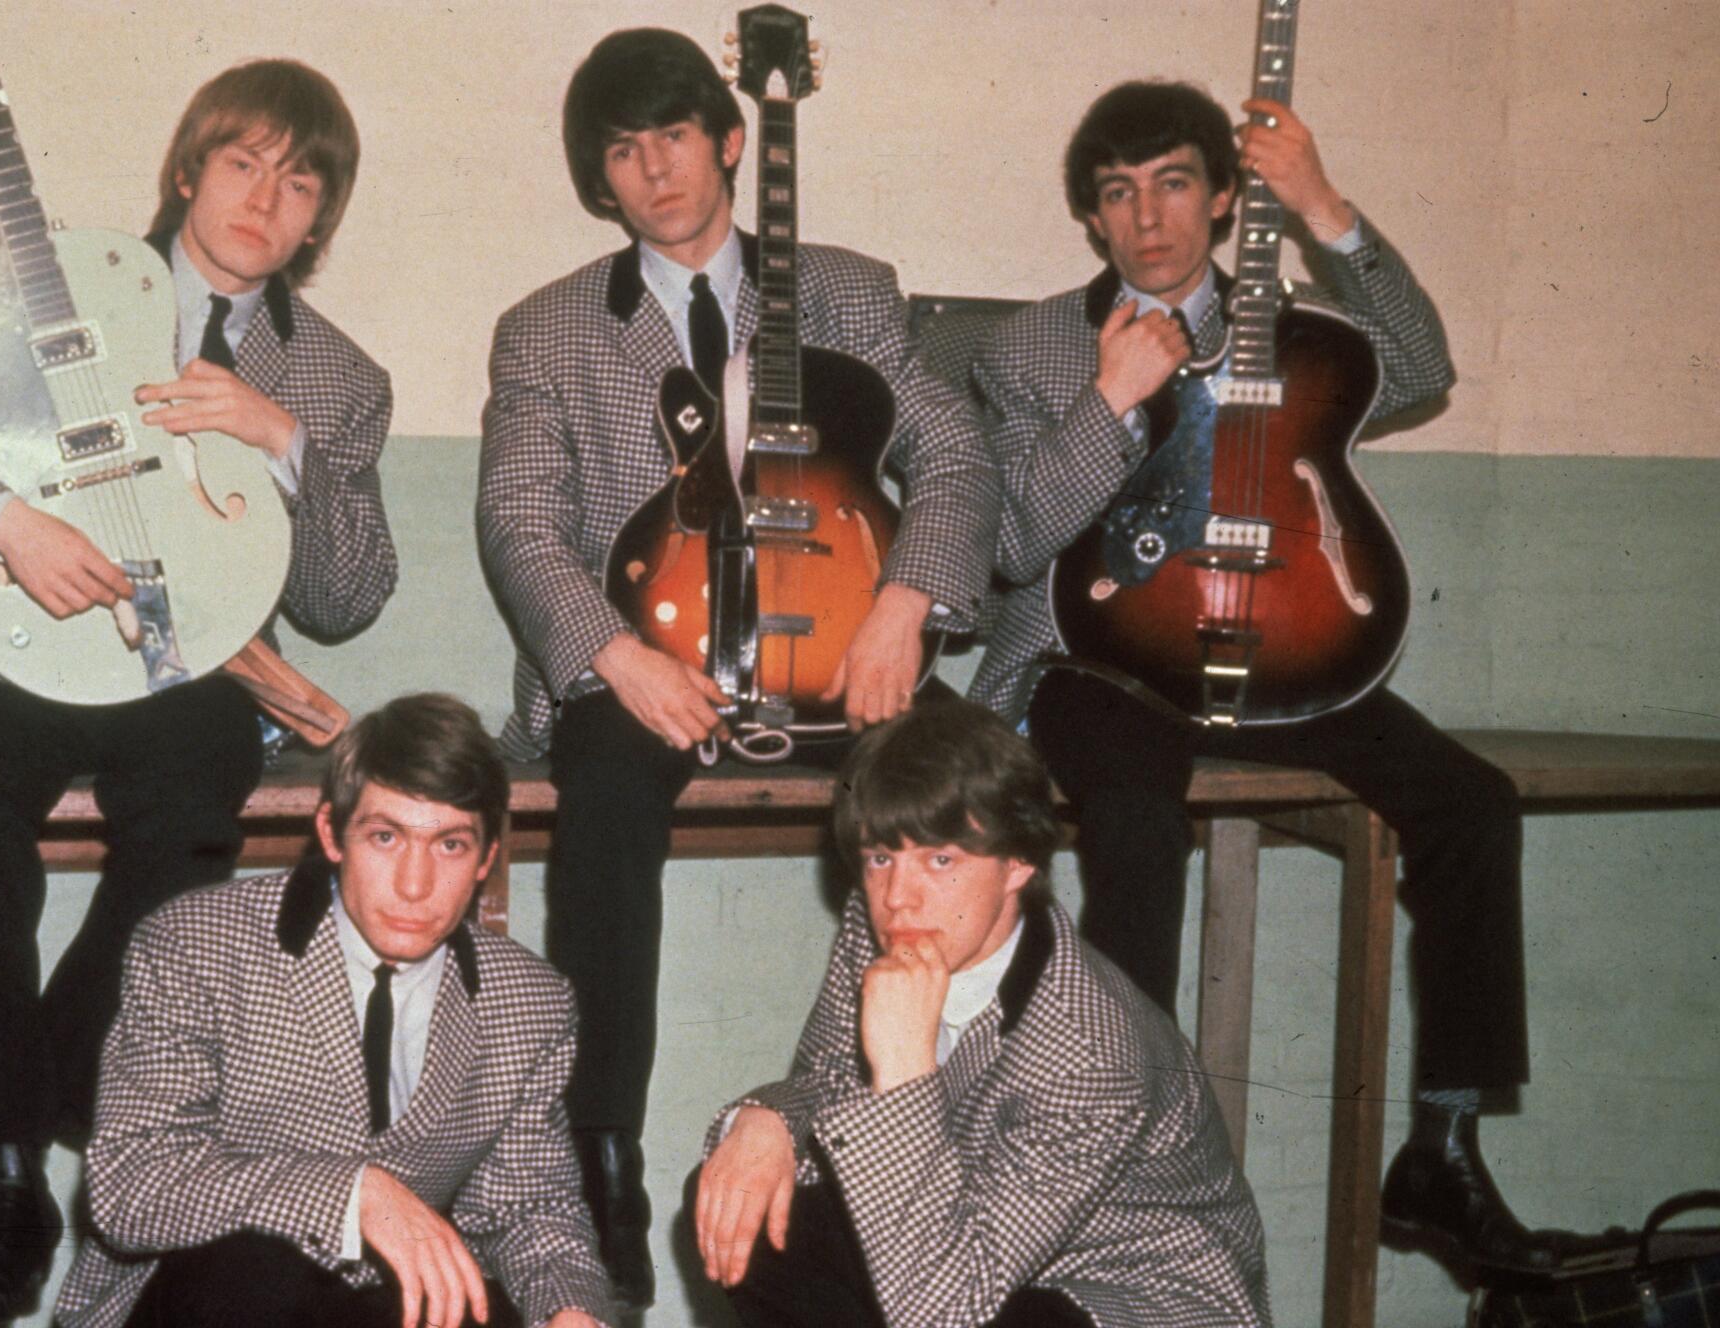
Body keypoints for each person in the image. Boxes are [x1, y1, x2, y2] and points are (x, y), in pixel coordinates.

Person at [0, 59, 395, 1327]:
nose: (263, 198)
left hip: (180, 672)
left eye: (299, 182)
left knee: (197, 805)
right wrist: (0, 519)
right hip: (4, 643)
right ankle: (15, 1168)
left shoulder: (336, 376)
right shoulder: (43, 286)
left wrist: (284, 441)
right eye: (241, 162)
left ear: (318, 219)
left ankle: (14, 1129)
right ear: (188, 169)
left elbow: (349, 596)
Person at [967, 79, 1566, 1270]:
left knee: (1469, 803)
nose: (1147, 218)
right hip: (1103, 664)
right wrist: (1107, 398)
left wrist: (1323, 204)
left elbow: (1425, 363)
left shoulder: (1299, 332)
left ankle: (1441, 1151)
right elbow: (1006, 544)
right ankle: (1124, 1157)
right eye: (1116, 194)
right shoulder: (1031, 344)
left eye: (1175, 182)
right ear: (1091, 220)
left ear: (1226, 193)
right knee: (1137, 822)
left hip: (1284, 652)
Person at [475, 27, 997, 1306]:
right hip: (650, 665)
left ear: (729, 137)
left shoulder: (851, 289)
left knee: (971, 803)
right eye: (620, 147)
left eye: (672, 133)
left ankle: (967, 1128)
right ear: (599, 176)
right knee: (600, 799)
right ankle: (598, 1157)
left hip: (849, 654)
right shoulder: (545, 329)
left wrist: (907, 604)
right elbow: (515, 518)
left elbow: (960, 461)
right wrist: (611, 655)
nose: (652, 167)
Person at [693, 700, 1270, 1328]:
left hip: (1125, 1296)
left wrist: (906, 1072)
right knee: (742, 1207)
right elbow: (827, 1082)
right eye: (881, 857)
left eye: (941, 860)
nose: (897, 897)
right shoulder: (883, 923)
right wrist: (766, 1119)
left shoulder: (1092, 1046)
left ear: (1019, 861)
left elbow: (946, 1313)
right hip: (967, 1248)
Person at [53, 693, 614, 1328]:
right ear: (330, 835)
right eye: (385, 836)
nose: (413, 884)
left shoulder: (530, 1000)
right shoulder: (195, 942)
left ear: (487, 857)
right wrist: (353, 1195)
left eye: (450, 846)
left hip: (385, 1305)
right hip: (215, 1296)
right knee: (261, 1270)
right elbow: (131, 1189)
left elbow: (527, 1207)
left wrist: (569, 1308)